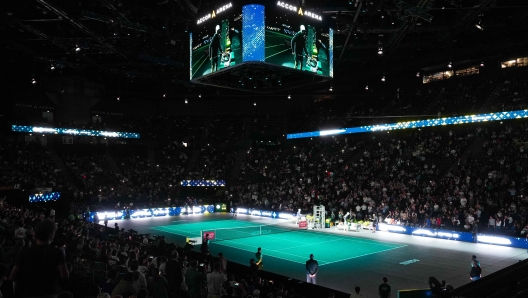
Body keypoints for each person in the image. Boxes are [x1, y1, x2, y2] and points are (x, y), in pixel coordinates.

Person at [9, 219, 70, 297]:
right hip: (49, 292)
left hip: (28, 293)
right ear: (51, 234)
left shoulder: (25, 252)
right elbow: (65, 275)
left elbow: (12, 276)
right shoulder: (57, 252)